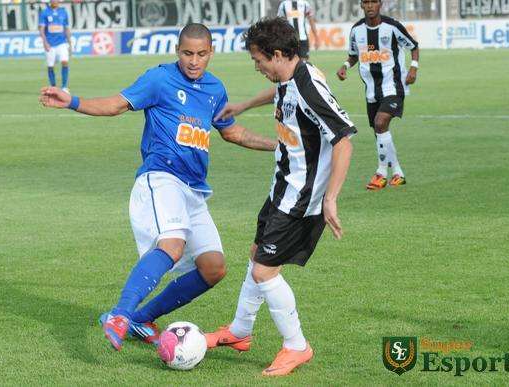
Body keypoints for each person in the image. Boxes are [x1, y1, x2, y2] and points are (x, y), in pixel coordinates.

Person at [39, 23, 277, 351]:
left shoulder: (214, 89)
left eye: (201, 54)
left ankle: (142, 317)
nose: (194, 61)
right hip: (161, 178)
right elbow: (117, 104)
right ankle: (119, 315)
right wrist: (73, 101)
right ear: (177, 51)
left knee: (213, 269)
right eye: (187, 53)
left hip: (195, 190)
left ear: (211, 53)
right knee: (173, 244)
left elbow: (232, 131)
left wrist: (277, 146)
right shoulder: (160, 79)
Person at [205, 18, 355, 377]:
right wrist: (243, 106)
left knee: (264, 270)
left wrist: (331, 198)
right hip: (281, 188)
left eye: (259, 61)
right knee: (257, 254)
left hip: (301, 199)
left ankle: (296, 346)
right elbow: (280, 93)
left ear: (276, 54)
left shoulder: (309, 85)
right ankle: (240, 332)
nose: (257, 68)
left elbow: (344, 140)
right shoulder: (290, 77)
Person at [336, 0, 419, 190]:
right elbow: (354, 54)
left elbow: (413, 46)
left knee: (381, 123)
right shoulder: (356, 30)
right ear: (361, 5)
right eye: (366, 2)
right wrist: (345, 66)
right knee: (380, 132)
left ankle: (381, 173)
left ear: (380, 4)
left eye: (374, 2)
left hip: (393, 86)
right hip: (371, 90)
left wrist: (414, 68)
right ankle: (398, 172)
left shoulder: (392, 27)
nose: (370, 6)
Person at [39, 0, 72, 93]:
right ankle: (53, 87)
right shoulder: (45, 12)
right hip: (50, 44)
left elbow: (66, 28)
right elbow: (41, 29)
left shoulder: (63, 12)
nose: (55, 1)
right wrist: (45, 42)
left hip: (62, 42)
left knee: (65, 62)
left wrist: (70, 43)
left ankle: (64, 87)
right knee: (50, 66)